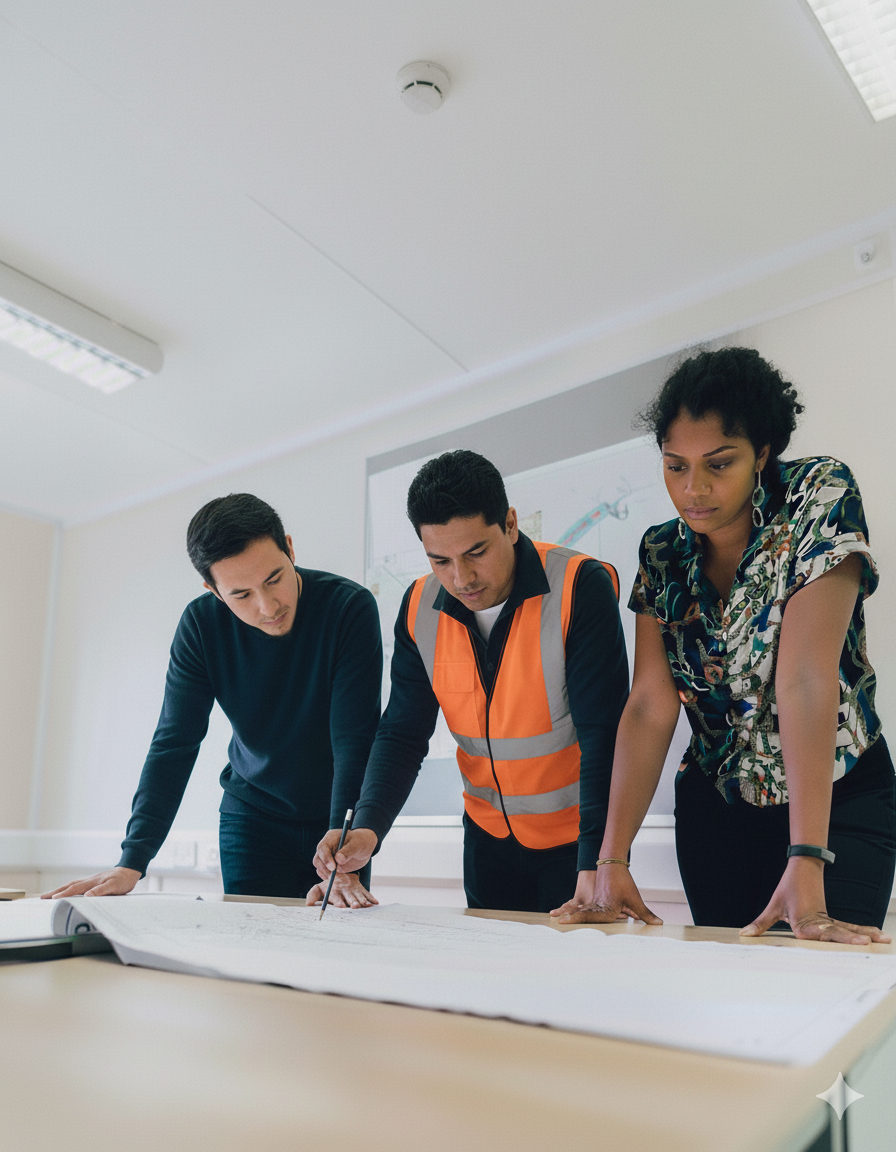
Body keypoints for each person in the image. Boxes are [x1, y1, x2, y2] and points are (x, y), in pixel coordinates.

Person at [556, 347, 894, 945]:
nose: (694, 488)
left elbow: (805, 678)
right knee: (727, 982)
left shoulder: (817, 496)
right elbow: (649, 706)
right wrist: (610, 861)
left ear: (761, 452)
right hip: (717, 808)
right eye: (675, 466)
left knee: (823, 977)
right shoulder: (661, 552)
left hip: (835, 797)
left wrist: (807, 856)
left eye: (719, 463)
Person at [311, 449, 629, 914]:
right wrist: (368, 826)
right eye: (440, 560)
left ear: (511, 524)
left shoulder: (579, 585)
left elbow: (604, 736)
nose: (461, 578)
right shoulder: (419, 607)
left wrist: (599, 862)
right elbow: (402, 732)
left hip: (576, 845)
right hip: (487, 844)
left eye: (476, 552)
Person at [44, 493, 382, 906]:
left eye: (274, 579)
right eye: (242, 595)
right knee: (251, 940)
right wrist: (133, 860)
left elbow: (354, 738)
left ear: (290, 549)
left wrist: (344, 852)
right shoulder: (201, 626)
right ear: (214, 591)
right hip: (251, 817)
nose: (268, 606)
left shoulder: (347, 608)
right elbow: (175, 741)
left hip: (337, 817)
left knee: (338, 935)